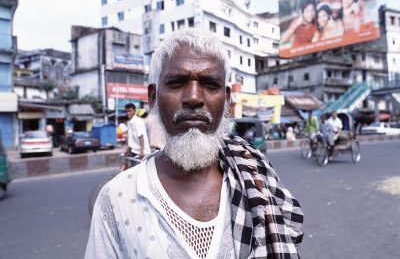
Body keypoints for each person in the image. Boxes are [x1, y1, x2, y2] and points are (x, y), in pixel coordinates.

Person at [85, 29, 304, 258]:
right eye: (177, 83)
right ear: (153, 97)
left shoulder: (255, 180)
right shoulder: (116, 197)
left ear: (227, 99)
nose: (193, 98)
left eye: (210, 84)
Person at [121, 103, 150, 171]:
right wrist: (127, 150)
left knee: (140, 172)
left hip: (141, 152)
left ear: (134, 111)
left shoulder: (138, 121)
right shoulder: (129, 122)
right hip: (133, 151)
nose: (128, 113)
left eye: (130, 111)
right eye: (126, 111)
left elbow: (141, 137)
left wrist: (142, 152)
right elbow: (131, 139)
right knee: (131, 170)